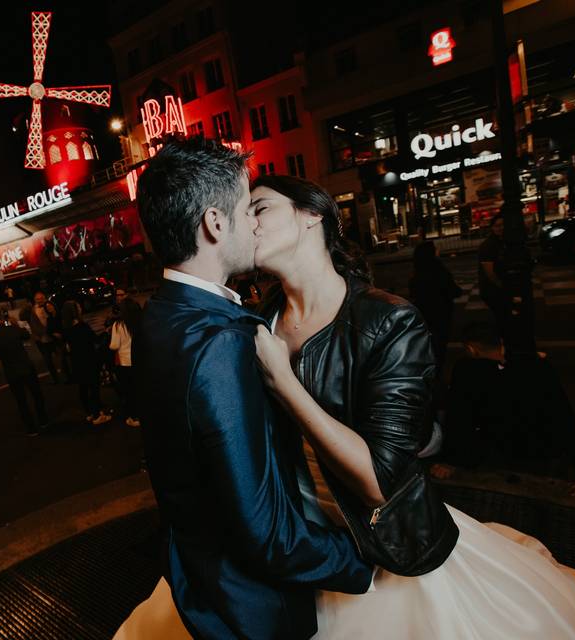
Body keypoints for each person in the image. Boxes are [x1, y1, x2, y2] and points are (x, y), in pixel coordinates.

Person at [244, 175, 575, 638]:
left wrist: (285, 383)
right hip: (289, 542)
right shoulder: (255, 320)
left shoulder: (388, 320)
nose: (246, 222)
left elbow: (379, 482)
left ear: (312, 215)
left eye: (260, 208)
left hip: (377, 546)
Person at [116, 139, 373, 640]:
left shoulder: (162, 315)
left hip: (201, 578)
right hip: (255, 610)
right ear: (214, 223)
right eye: (245, 209)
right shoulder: (221, 343)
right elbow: (268, 535)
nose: (254, 222)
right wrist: (361, 561)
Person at [431, 323, 575, 500]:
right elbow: (563, 417)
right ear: (501, 341)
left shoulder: (468, 370)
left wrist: (450, 460)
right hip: (540, 451)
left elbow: (459, 417)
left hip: (493, 453)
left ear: (471, 349)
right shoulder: (537, 365)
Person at [0, 307, 47, 436]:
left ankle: (31, 428)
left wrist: (3, 324)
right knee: (36, 394)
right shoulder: (12, 329)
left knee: (21, 401)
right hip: (26, 366)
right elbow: (25, 334)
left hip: (11, 371)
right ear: (2, 317)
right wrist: (9, 322)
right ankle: (43, 420)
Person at [409, 240, 463, 371]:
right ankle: (438, 371)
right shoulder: (439, 270)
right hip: (441, 311)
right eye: (436, 248)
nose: (438, 250)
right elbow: (454, 291)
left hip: (425, 312)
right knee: (440, 343)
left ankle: (430, 368)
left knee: (430, 342)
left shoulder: (418, 272)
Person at [60, 300, 111, 426]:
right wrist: (106, 332)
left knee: (83, 387)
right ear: (74, 311)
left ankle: (89, 413)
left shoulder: (66, 328)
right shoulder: (82, 327)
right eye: (78, 307)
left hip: (77, 361)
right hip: (89, 360)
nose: (80, 308)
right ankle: (97, 415)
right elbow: (95, 340)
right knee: (93, 387)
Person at [21, 291, 70, 384]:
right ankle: (56, 379)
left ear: (45, 298)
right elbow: (21, 316)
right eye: (37, 299)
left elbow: (57, 318)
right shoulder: (32, 310)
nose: (40, 301)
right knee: (48, 361)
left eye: (41, 298)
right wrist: (26, 306)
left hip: (54, 337)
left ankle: (67, 376)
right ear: (34, 300)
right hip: (42, 340)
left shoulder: (50, 305)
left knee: (62, 358)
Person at [108, 296, 141, 427]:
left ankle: (133, 417)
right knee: (139, 388)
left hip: (124, 362)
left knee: (128, 390)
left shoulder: (119, 325)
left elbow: (114, 345)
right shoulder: (140, 321)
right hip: (138, 360)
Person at [478, 213, 508, 338]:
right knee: (503, 316)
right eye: (497, 226)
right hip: (493, 289)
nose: (501, 228)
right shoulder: (489, 245)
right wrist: (503, 286)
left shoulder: (503, 242)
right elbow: (489, 272)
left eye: (503, 225)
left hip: (498, 286)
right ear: (492, 228)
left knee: (505, 316)